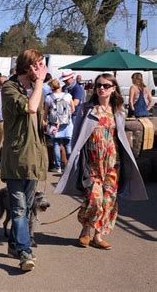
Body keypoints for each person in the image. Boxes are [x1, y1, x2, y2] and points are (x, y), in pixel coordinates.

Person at [55, 73, 148, 250]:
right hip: (91, 162)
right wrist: (73, 157)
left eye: (106, 86)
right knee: (94, 198)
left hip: (113, 163)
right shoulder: (87, 109)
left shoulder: (118, 111)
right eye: (98, 85)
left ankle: (98, 236)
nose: (101, 88)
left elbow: (120, 136)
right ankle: (85, 230)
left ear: (114, 89)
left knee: (108, 201)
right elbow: (77, 137)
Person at [1, 49, 48, 272]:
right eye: (39, 64)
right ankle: (24, 252)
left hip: (35, 156)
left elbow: (39, 119)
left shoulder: (37, 89)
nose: (42, 69)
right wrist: (39, 83)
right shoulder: (9, 88)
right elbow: (30, 108)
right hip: (17, 157)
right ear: (28, 67)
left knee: (27, 207)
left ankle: (13, 244)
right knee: (19, 209)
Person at [44, 79, 75, 173]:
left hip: (54, 124)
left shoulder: (49, 98)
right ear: (60, 86)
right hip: (67, 124)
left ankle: (58, 167)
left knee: (56, 144)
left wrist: (45, 122)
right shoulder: (68, 96)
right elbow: (73, 109)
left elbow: (45, 113)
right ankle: (70, 166)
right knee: (68, 145)